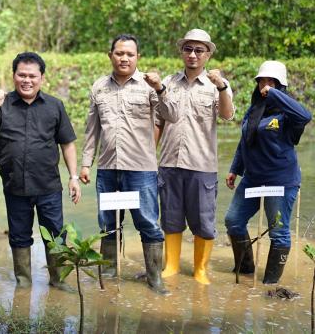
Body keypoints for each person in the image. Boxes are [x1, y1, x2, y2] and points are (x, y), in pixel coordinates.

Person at [0, 52, 80, 289]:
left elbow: (67, 143)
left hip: (48, 185)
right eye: (21, 75)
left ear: (41, 78)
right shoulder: (3, 104)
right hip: (14, 184)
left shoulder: (55, 105)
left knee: (55, 235)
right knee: (19, 235)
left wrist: (73, 177)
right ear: (14, 76)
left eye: (32, 76)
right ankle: (23, 282)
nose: (27, 80)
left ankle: (58, 280)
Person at [81, 34, 167, 294]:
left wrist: (161, 89)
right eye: (119, 53)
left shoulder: (149, 85)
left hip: (141, 169)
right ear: (111, 55)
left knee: (149, 223)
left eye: (130, 54)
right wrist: (86, 164)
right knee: (107, 223)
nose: (124, 58)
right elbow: (92, 129)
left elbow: (171, 115)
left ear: (137, 57)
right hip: (107, 168)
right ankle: (108, 273)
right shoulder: (98, 87)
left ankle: (155, 278)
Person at [150, 28, 234, 285]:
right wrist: (150, 159)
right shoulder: (168, 82)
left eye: (199, 50)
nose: (193, 55)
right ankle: (171, 265)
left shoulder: (217, 85)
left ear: (208, 54)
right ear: (181, 52)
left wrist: (221, 86)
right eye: (188, 49)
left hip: (202, 164)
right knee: (171, 219)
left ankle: (200, 269)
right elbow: (158, 122)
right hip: (169, 163)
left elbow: (228, 115)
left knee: (204, 222)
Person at [224, 61, 311, 284]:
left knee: (278, 232)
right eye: (262, 81)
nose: (265, 85)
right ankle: (245, 271)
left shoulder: (288, 113)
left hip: (280, 181)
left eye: (271, 81)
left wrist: (273, 94)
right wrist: (235, 169)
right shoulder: (254, 110)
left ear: (281, 86)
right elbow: (246, 140)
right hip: (252, 179)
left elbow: (305, 116)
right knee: (233, 220)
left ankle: (270, 284)